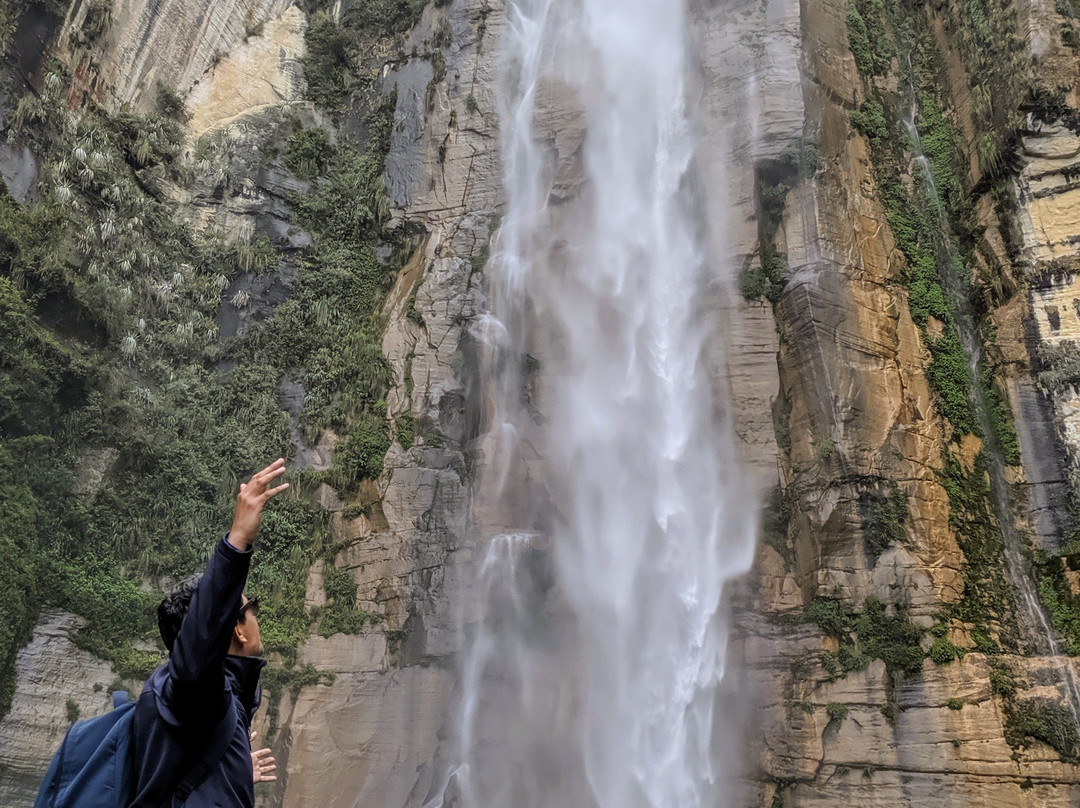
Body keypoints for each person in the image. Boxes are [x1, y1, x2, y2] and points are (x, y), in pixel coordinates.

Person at [129, 459, 288, 808]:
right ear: (235, 629)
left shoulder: (204, 703)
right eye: (251, 610)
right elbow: (199, 648)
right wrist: (238, 541)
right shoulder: (198, 692)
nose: (257, 619)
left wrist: (231, 775)